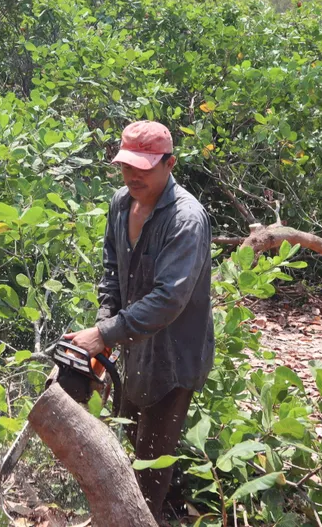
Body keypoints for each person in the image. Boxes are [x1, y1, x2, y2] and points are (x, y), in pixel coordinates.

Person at [64, 120, 214, 523]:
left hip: (173, 354)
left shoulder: (186, 219)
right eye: (127, 166)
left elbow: (169, 300)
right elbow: (112, 270)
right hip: (132, 345)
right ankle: (175, 506)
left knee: (152, 457)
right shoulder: (119, 203)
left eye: (144, 168)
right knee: (133, 433)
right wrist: (103, 326)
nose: (133, 176)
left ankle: (146, 515)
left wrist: (104, 333)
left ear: (170, 164)